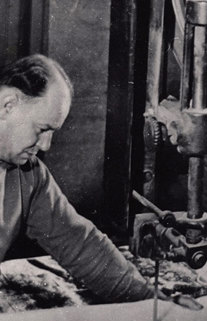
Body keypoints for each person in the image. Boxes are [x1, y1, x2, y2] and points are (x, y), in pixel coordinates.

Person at [0, 54, 156, 303]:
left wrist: (147, 301)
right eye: (42, 129)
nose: (46, 146)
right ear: (8, 105)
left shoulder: (29, 175)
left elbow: (79, 243)